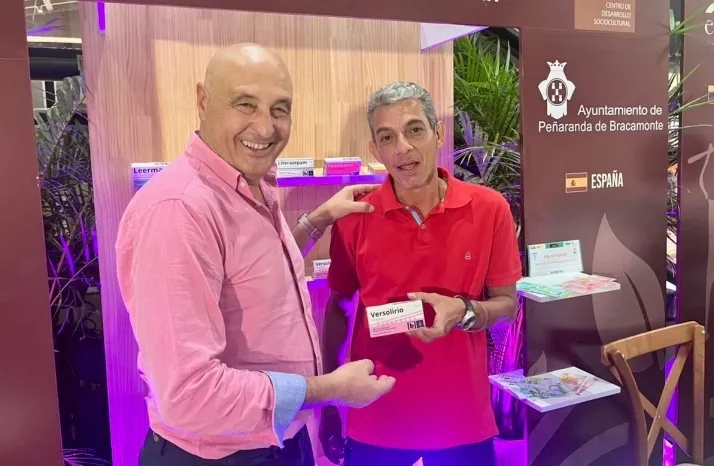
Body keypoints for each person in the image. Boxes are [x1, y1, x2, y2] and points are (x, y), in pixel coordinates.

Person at [115, 43, 395, 466]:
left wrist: (317, 220)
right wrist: (330, 389)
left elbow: (254, 274)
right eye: (245, 104)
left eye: (279, 109)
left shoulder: (248, 183)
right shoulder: (179, 210)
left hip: (276, 440)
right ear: (203, 100)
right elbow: (189, 394)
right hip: (219, 456)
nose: (265, 128)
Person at [318, 81, 522, 466]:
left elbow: (506, 305)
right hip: (376, 416)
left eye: (414, 130)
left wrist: (466, 311)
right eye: (387, 137)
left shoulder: (489, 209)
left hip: (463, 420)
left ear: (437, 133)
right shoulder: (355, 218)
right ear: (375, 150)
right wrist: (329, 401)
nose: (402, 147)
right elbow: (338, 308)